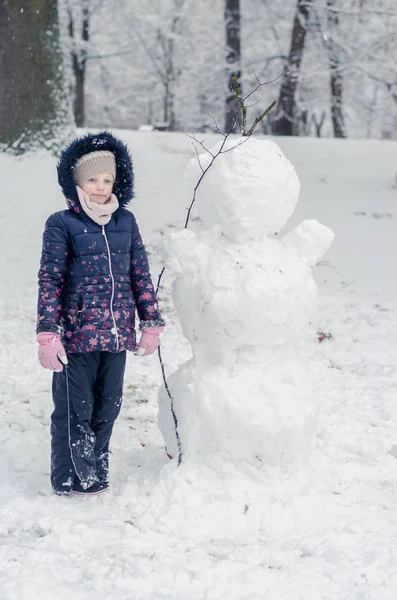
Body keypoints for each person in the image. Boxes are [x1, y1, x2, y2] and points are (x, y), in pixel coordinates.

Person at [36, 131, 165, 496]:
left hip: (117, 332)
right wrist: (48, 331)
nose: (100, 187)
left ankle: (97, 468)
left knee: (108, 407)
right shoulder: (61, 224)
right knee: (74, 409)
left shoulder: (126, 221)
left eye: (106, 179)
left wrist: (151, 322)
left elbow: (139, 273)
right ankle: (69, 477)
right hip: (76, 334)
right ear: (76, 181)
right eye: (92, 179)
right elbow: (51, 278)